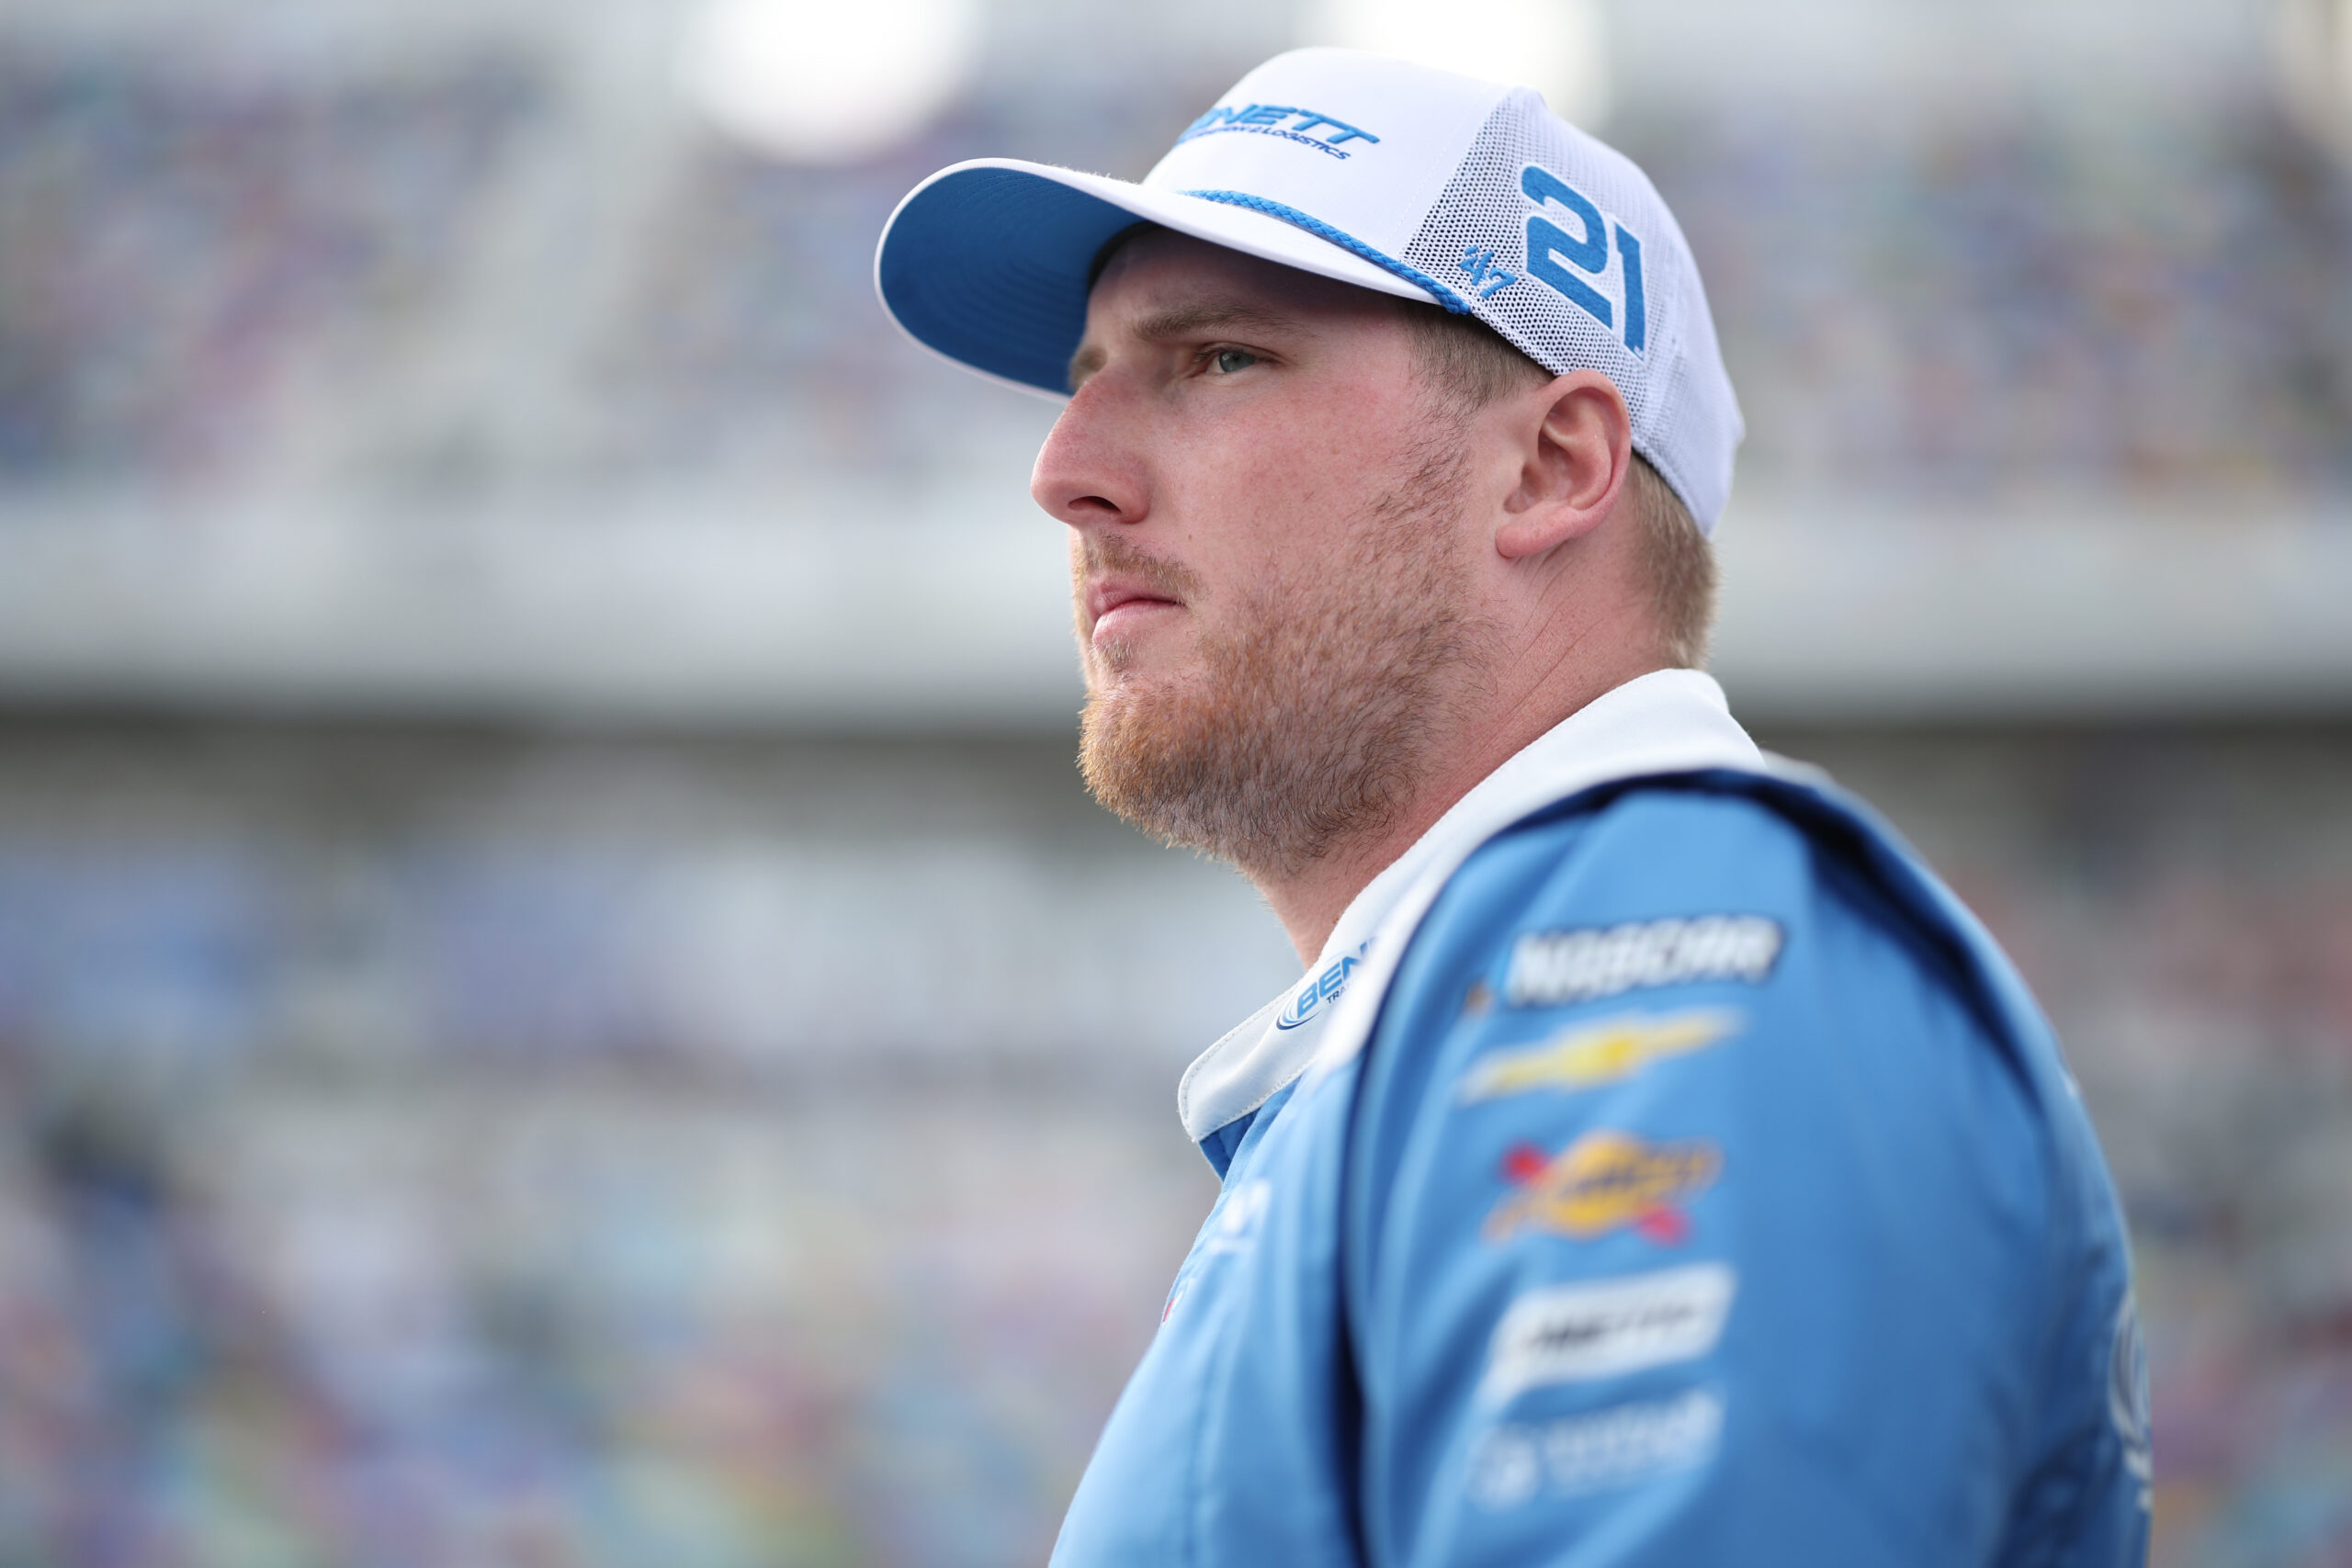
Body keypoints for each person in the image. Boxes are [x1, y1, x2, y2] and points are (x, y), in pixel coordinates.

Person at [876, 47, 2151, 1567]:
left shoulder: (1665, 949)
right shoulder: (1487, 1007)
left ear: (1551, 470)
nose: (1063, 473)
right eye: (1089, 380)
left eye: (1218, 358)